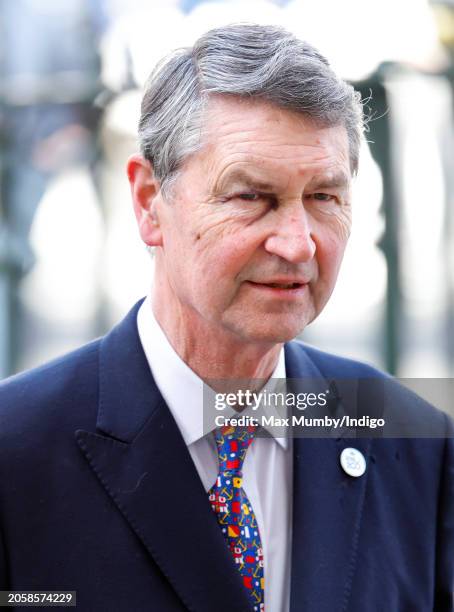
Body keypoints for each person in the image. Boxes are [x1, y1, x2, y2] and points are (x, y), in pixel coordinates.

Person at [0, 23, 452, 612]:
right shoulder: (17, 452)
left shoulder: (415, 443)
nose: (298, 244)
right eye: (250, 196)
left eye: (324, 197)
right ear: (149, 203)